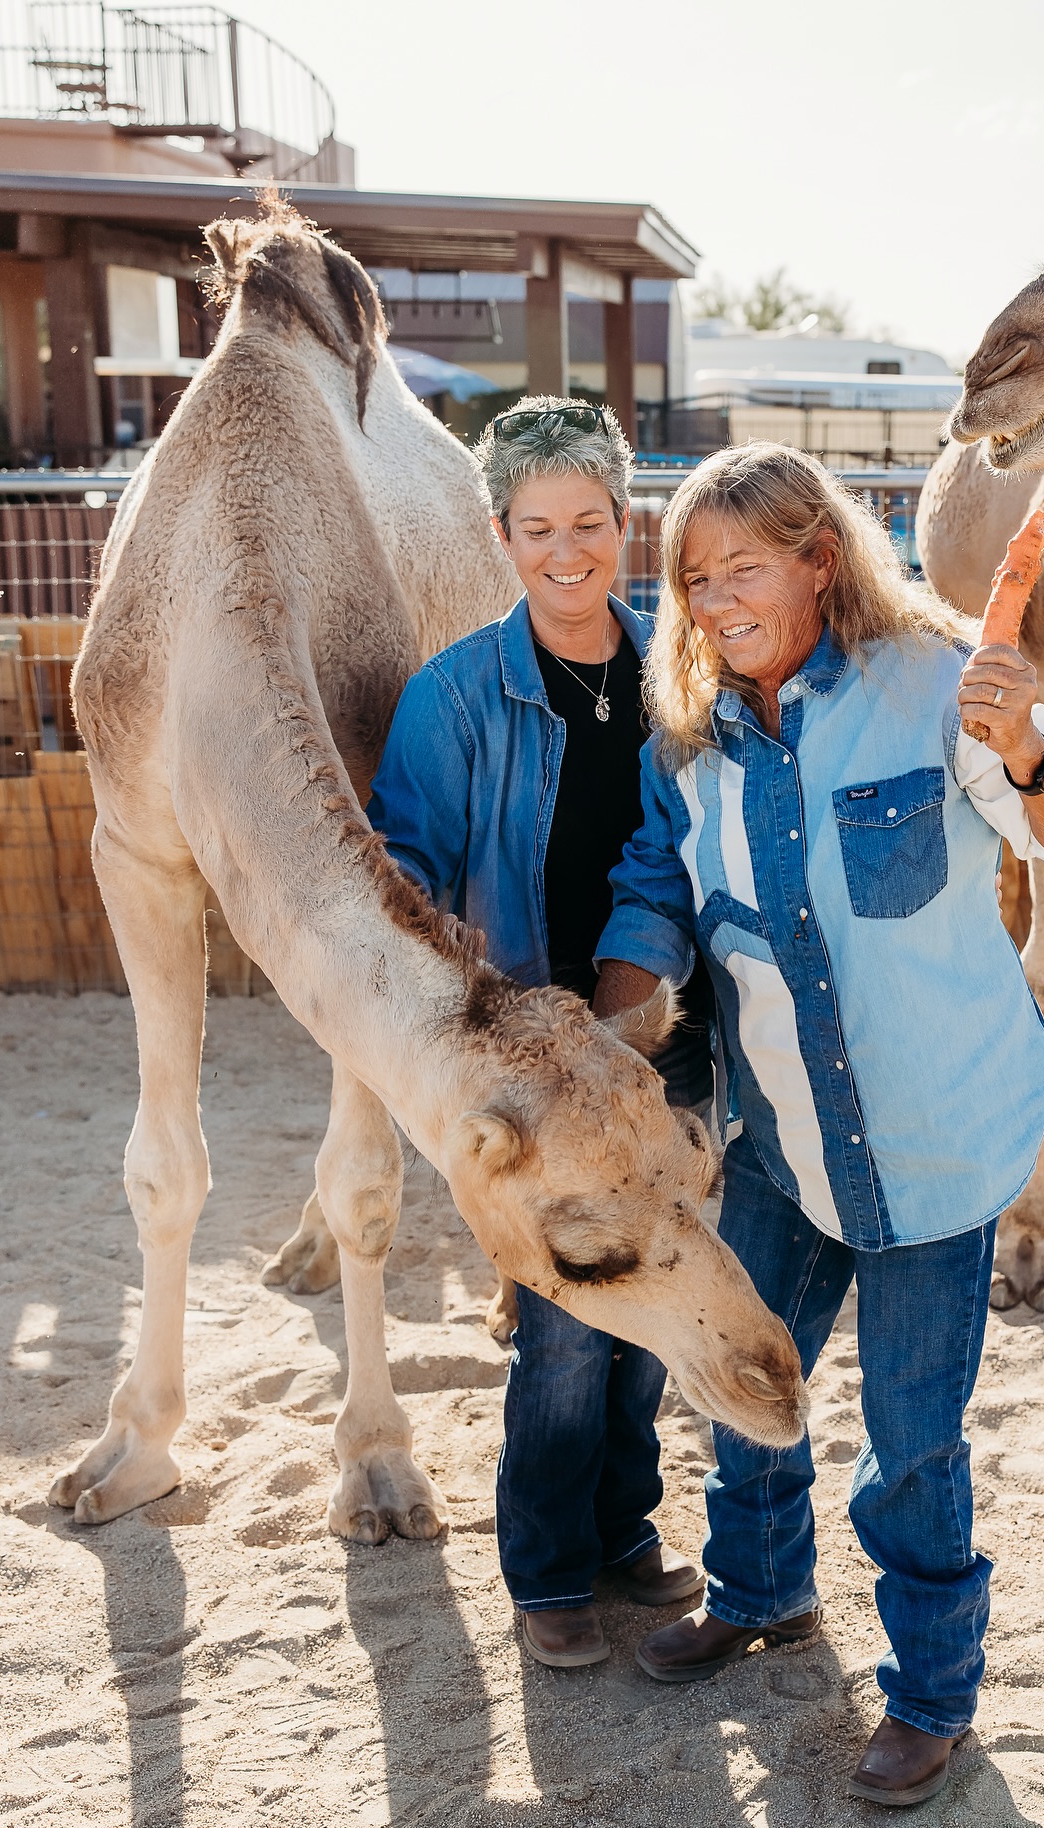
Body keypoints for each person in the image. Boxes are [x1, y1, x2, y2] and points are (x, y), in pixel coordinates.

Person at [591, 443, 1044, 1804]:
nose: (712, 603)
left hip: (938, 1144)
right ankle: (761, 1590)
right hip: (788, 1139)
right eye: (694, 580)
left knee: (910, 1440)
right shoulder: (694, 735)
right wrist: (618, 1010)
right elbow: (659, 881)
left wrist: (1028, 745)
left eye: (742, 569)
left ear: (821, 557)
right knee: (743, 1373)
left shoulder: (943, 685)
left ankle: (931, 1697)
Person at [367, 397, 713, 1669]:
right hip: (534, 1043)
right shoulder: (455, 696)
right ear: (501, 536)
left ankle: (624, 1531)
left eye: (589, 522)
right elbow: (402, 866)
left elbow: (682, 849)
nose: (565, 551)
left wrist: (648, 1001)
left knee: (656, 1292)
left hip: (663, 1023)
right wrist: (484, 1023)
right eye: (536, 529)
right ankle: (549, 1570)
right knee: (568, 1317)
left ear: (625, 522)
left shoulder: (680, 678)